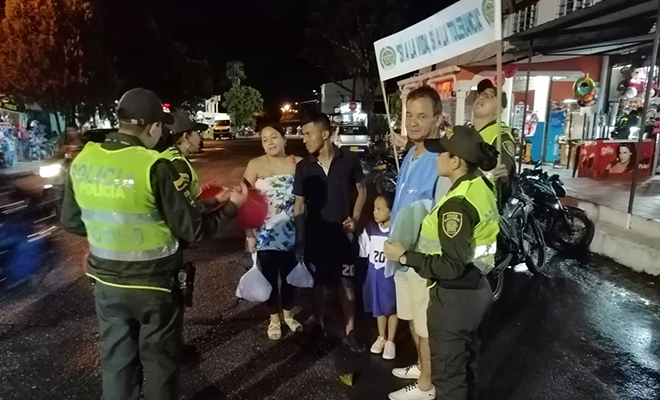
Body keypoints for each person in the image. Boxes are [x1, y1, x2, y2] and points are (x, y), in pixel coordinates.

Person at [60, 88, 248, 400]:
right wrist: (232, 207)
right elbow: (193, 229)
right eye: (161, 127)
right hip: (154, 286)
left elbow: (71, 221)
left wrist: (111, 233)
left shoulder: (83, 160)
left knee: (117, 364)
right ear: (153, 127)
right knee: (160, 363)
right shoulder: (154, 165)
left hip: (107, 284)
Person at [384, 125, 499, 400]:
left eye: (441, 153)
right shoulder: (480, 184)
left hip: (456, 297)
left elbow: (451, 266)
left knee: (447, 378)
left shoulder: (456, 205)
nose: (436, 157)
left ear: (456, 161)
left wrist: (404, 256)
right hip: (476, 287)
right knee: (465, 366)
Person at [388, 86, 446, 400]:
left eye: (422, 116)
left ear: (438, 118)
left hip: (422, 259)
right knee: (410, 318)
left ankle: (426, 386)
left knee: (425, 327)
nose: (412, 122)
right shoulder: (411, 152)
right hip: (401, 255)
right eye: (409, 115)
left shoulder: (442, 160)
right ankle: (422, 367)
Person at [293, 113, 367, 353]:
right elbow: (299, 205)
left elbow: (362, 190)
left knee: (347, 284)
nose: (304, 139)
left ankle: (350, 330)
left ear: (324, 134)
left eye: (308, 134)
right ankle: (319, 326)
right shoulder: (304, 167)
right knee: (319, 284)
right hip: (316, 235)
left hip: (343, 236)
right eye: (303, 134)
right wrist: (300, 239)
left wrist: (355, 218)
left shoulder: (349, 160)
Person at [244, 124, 303, 340]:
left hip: (292, 231)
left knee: (290, 278)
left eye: (274, 137)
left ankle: (288, 315)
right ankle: (274, 320)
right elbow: (245, 200)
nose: (270, 142)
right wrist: (249, 234)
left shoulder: (297, 163)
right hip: (265, 234)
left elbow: (305, 200)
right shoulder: (255, 165)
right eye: (265, 139)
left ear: (284, 139)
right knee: (269, 278)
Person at [359, 192, 398, 360]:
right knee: (378, 307)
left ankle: (391, 341)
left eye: (379, 209)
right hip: (374, 275)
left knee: (393, 308)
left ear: (391, 210)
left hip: (390, 276)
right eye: (374, 208)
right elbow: (364, 251)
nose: (375, 212)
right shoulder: (370, 229)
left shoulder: (397, 231)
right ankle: (381, 337)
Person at [473, 79, 516, 200]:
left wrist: (503, 179)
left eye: (489, 96)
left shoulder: (501, 137)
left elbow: (505, 178)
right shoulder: (468, 133)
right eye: (481, 94)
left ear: (499, 110)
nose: (481, 97)